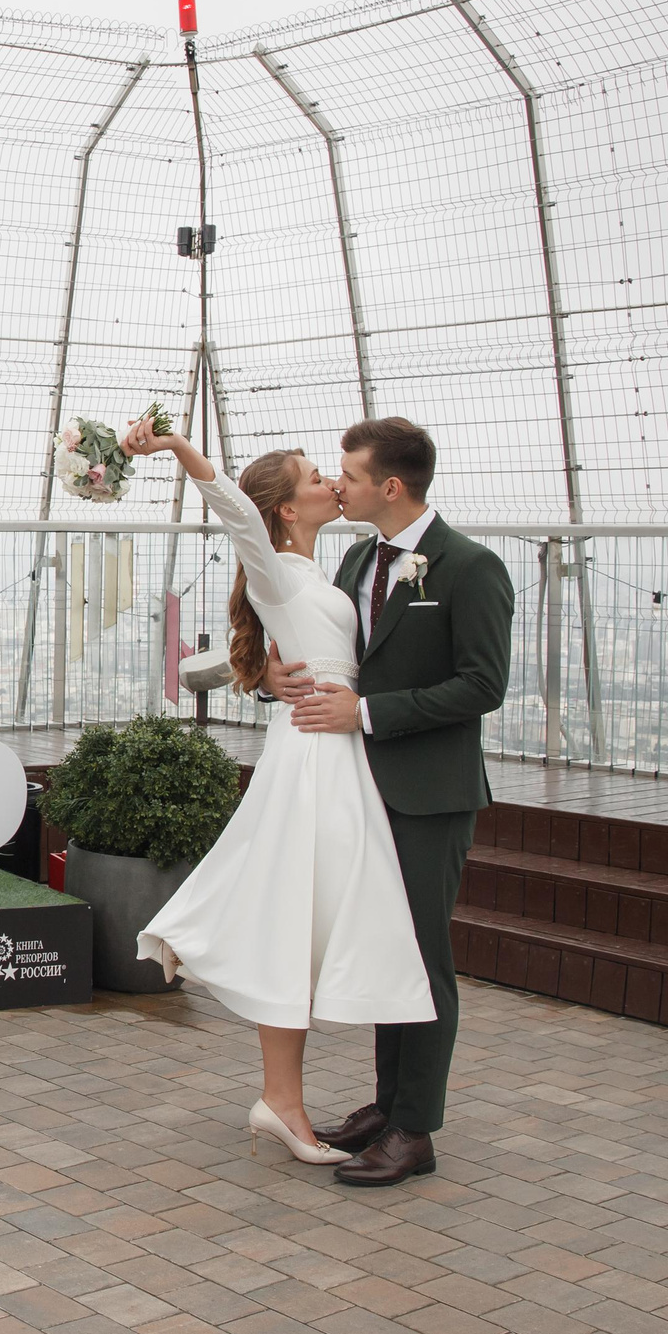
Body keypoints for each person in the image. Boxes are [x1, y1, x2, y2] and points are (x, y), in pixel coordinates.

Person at [119, 416, 436, 1169]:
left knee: (303, 925)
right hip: (313, 766)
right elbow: (234, 508)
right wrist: (176, 449)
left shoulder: (337, 569)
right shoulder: (275, 567)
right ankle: (283, 1101)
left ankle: (283, 1099)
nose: (332, 480)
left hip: (336, 754)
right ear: (288, 509)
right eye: (314, 477)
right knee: (292, 923)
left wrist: (265, 672)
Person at [264, 416, 514, 1186]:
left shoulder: (470, 567)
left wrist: (365, 714)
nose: (339, 485)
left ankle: (416, 1129)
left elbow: (483, 684)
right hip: (362, 785)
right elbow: (337, 655)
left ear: (391, 486)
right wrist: (277, 678)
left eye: (351, 475)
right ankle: (388, 1104)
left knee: (424, 956)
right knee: (383, 944)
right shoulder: (357, 559)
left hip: (429, 794)